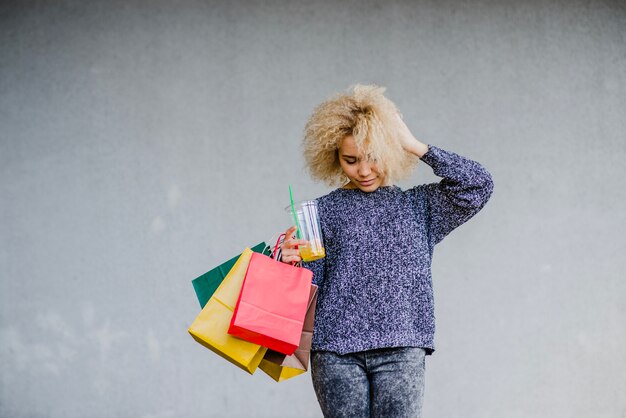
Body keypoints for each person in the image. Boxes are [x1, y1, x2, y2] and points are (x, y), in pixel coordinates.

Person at [280, 85, 494, 417]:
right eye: (351, 160)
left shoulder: (419, 206)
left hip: (401, 350)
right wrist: (289, 262)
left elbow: (478, 185)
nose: (364, 171)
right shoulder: (320, 212)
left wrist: (415, 146)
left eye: (374, 157)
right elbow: (311, 288)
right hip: (335, 353)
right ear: (333, 156)